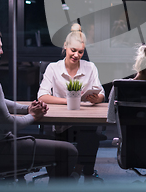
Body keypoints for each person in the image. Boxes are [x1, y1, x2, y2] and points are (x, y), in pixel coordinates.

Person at [0, 27, 78, 181]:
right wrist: (33, 116)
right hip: (0, 151)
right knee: (69, 151)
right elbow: (9, 124)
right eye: (0, 47)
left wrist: (27, 108)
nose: (2, 52)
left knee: (55, 145)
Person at [37, 23, 105, 181]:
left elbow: (101, 93)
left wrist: (97, 98)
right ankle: (74, 172)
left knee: (89, 132)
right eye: (73, 50)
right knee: (88, 136)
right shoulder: (53, 68)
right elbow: (42, 96)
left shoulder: (90, 67)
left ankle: (78, 170)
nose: (76, 55)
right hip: (62, 124)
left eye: (80, 52)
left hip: (85, 120)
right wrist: (68, 101)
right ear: (65, 47)